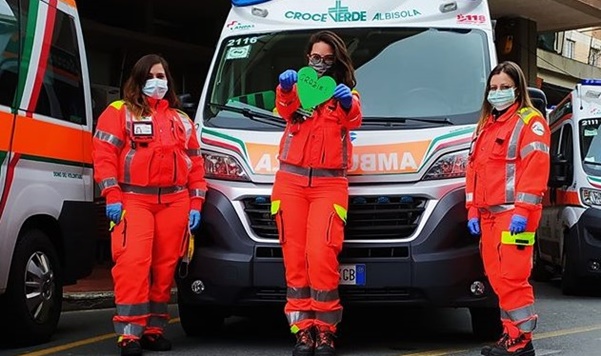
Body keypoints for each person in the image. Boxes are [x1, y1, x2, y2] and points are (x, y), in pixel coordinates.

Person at [92, 54, 207, 356]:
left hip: (175, 200)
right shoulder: (119, 112)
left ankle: (153, 330)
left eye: (162, 76)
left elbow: (195, 164)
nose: (157, 82)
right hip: (134, 200)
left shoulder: (181, 120)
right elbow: (103, 158)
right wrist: (112, 195)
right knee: (133, 265)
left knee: (165, 269)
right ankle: (129, 333)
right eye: (151, 76)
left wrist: (196, 202)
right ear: (139, 79)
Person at [270, 30, 362, 356]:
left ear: (336, 60)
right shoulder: (295, 88)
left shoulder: (345, 93)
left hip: (329, 184)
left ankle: (326, 332)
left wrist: (347, 103)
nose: (319, 62)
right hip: (290, 183)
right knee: (295, 260)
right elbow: (283, 110)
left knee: (322, 255)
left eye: (326, 57)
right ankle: (302, 331)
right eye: (315, 56)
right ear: (307, 56)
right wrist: (283, 89)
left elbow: (355, 121)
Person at [465, 61, 550, 356]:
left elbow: (535, 169)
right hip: (489, 215)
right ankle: (510, 335)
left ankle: (522, 341)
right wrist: (473, 209)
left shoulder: (530, 122)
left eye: (504, 88)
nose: (497, 93)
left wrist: (522, 212)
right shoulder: (486, 126)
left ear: (518, 89)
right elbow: (474, 171)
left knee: (513, 278)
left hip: (514, 215)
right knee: (498, 278)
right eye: (493, 88)